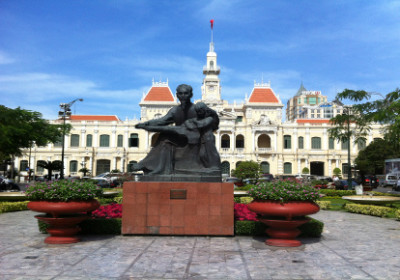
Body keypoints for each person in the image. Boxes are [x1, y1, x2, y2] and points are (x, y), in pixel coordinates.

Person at [133, 84, 221, 178]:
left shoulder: (196, 108)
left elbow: (213, 122)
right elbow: (162, 121)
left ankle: (147, 164)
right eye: (181, 93)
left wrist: (210, 111)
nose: (183, 96)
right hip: (181, 135)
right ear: (177, 95)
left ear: (191, 95)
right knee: (164, 137)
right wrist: (146, 124)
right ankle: (160, 168)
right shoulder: (175, 110)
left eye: (186, 93)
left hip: (196, 138)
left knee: (206, 135)